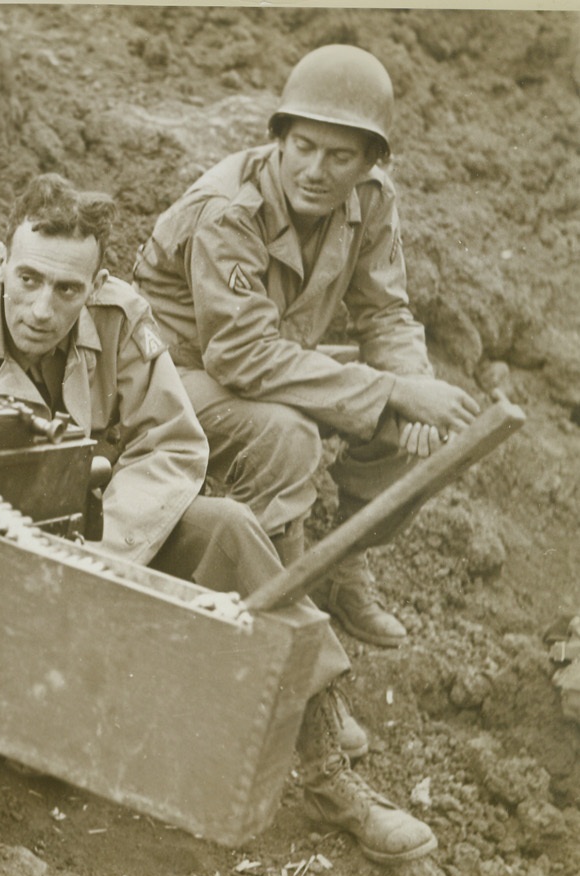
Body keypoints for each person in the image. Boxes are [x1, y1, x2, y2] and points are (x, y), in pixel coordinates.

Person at [0, 172, 437, 864]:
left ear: (96, 283)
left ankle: (328, 772)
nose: (42, 309)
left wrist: (104, 553)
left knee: (230, 529)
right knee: (44, 760)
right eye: (27, 279)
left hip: (99, 546)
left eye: (67, 290)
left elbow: (172, 444)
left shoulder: (118, 320)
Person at [133, 44, 481, 649]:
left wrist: (409, 384)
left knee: (415, 434)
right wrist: (393, 390)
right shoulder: (227, 210)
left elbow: (386, 312)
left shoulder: (372, 199)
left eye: (340, 155)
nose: (316, 170)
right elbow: (237, 354)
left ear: (370, 161)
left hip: (269, 362)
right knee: (288, 435)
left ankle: (344, 568)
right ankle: (282, 631)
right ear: (280, 138)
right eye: (303, 147)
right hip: (169, 377)